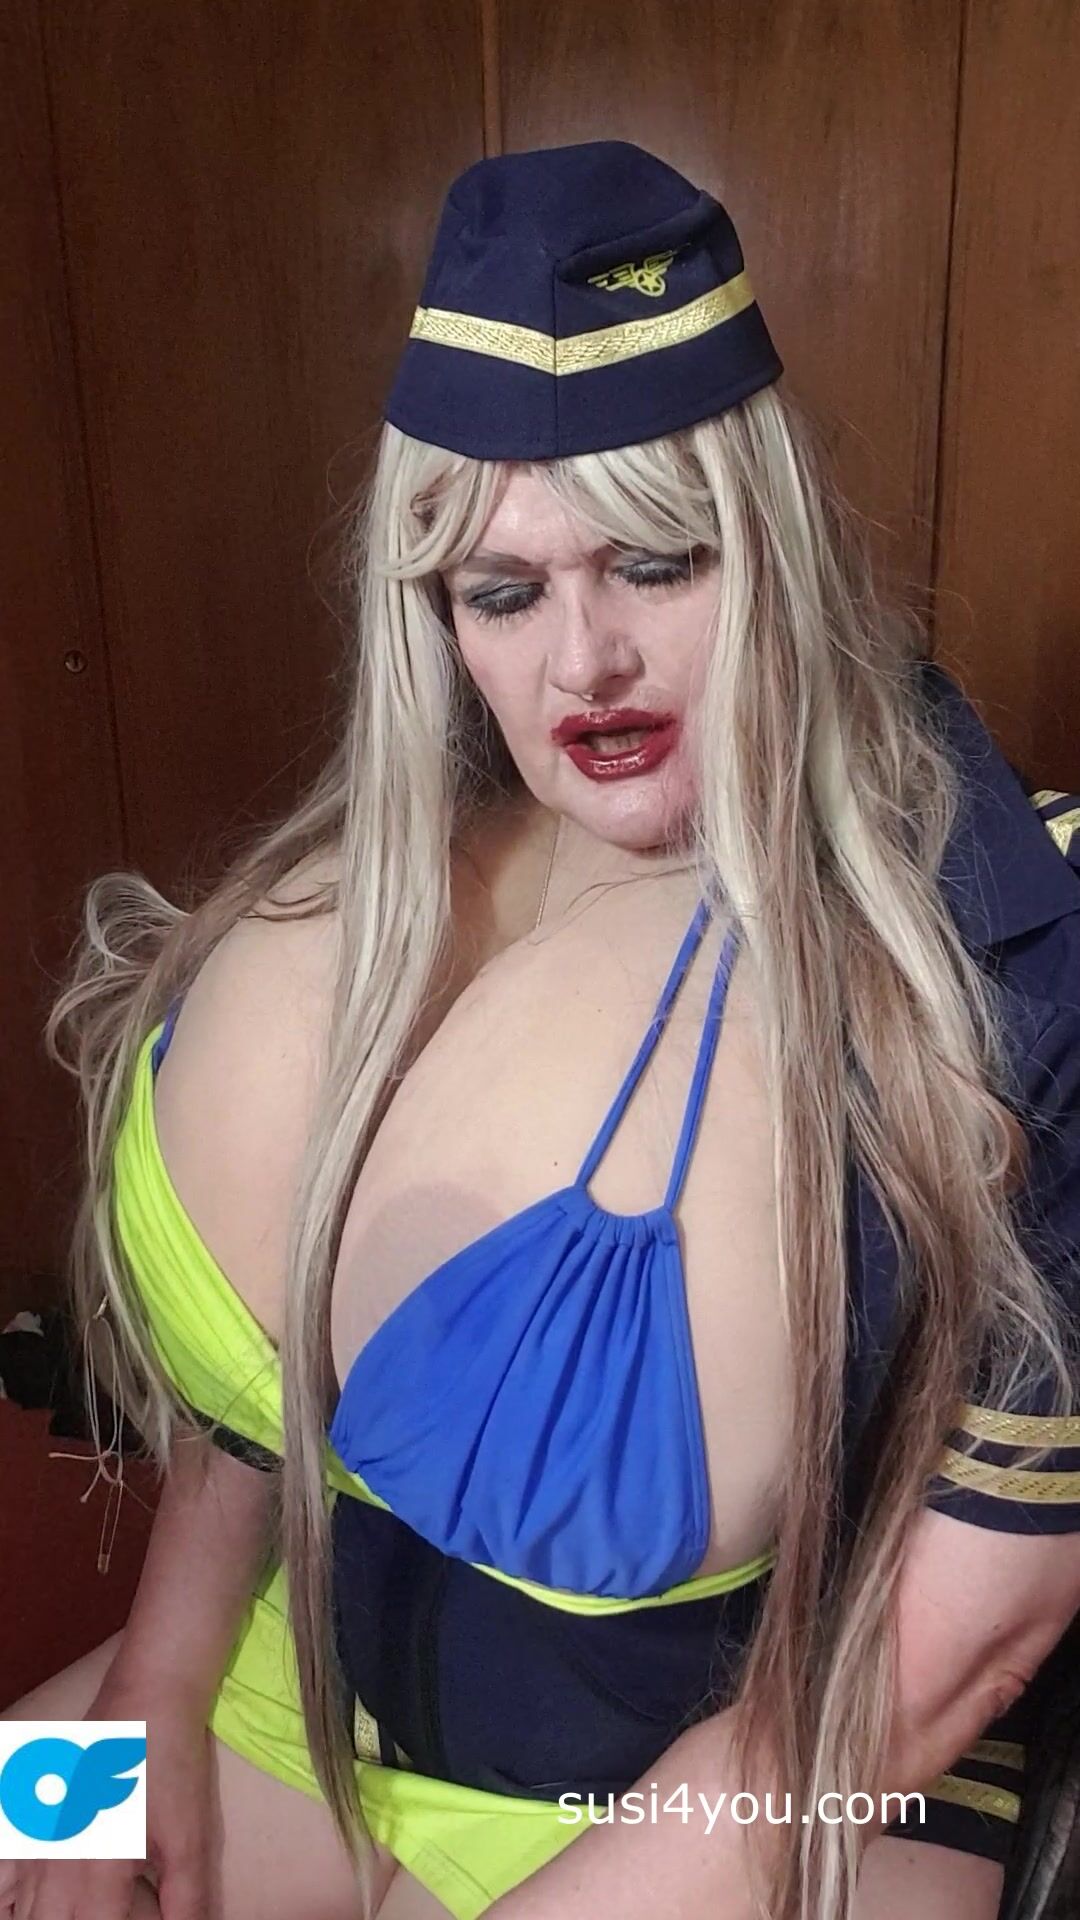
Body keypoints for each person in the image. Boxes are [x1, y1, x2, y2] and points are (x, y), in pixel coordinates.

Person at [5, 139, 1080, 1920]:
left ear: (777, 548)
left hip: (790, 1783)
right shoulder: (401, 879)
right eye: (501, 594)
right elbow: (266, 1391)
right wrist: (160, 1678)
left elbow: (956, 1657)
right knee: (22, 1832)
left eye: (656, 563)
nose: (583, 663)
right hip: (301, 1699)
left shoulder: (1026, 954)